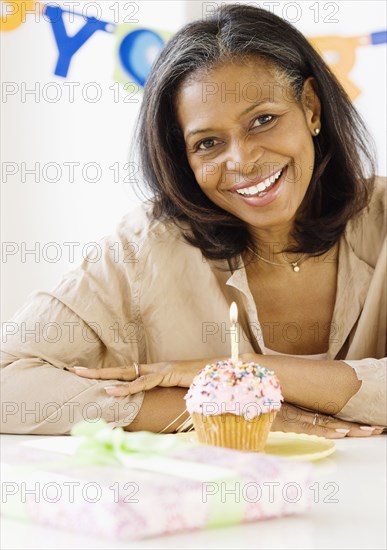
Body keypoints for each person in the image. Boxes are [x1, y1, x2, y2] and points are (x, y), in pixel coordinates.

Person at [1, 5, 385, 437]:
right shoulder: (143, 248)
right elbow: (7, 385)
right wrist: (216, 407)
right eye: (208, 143)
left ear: (311, 108)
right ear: (183, 157)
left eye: (263, 120)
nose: (242, 160)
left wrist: (237, 373)